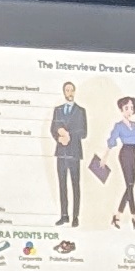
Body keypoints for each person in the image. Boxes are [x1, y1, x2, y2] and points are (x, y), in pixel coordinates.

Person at [49, 79, 88, 229]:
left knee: (75, 185)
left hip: (74, 153)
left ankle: (75, 216)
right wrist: (59, 136)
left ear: (75, 91)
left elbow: (84, 133)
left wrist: (69, 135)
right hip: (61, 153)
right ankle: (64, 215)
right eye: (67, 90)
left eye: (72, 90)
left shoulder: (81, 111)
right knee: (62, 185)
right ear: (63, 92)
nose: (69, 93)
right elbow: (53, 128)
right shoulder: (58, 110)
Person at [107, 96, 135, 227]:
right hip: (125, 154)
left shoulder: (134, 125)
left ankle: (117, 215)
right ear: (121, 110)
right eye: (126, 108)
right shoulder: (118, 126)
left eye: (131, 108)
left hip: (134, 153)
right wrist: (104, 157)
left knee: (130, 186)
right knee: (130, 185)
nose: (129, 110)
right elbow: (111, 141)